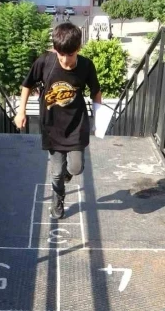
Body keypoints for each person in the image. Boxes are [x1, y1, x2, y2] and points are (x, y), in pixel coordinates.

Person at [15, 23, 102, 219]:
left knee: (76, 168)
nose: (65, 59)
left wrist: (99, 119)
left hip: (76, 125)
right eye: (61, 54)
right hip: (52, 126)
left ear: (78, 48)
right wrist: (21, 111)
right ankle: (58, 198)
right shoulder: (45, 62)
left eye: (70, 54)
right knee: (56, 172)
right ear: (55, 49)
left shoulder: (86, 66)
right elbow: (27, 85)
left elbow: (96, 92)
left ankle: (67, 175)